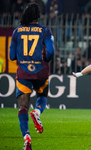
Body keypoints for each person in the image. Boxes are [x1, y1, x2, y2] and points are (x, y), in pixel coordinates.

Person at [9, 3, 55, 150]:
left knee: (23, 106)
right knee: (42, 95)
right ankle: (37, 112)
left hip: (23, 72)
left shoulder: (17, 32)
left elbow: (11, 56)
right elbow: (51, 52)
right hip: (41, 70)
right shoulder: (45, 31)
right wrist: (45, 59)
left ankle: (27, 136)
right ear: (38, 16)